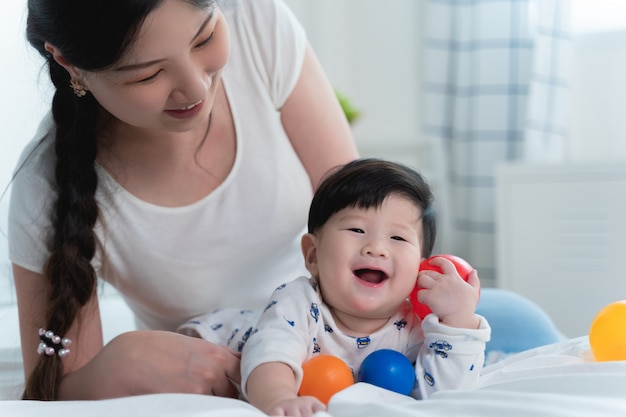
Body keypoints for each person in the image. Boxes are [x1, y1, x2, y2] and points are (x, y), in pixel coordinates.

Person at [9, 0, 358, 401]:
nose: (197, 87)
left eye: (205, 37)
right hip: (209, 392)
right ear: (70, 64)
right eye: (149, 74)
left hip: (344, 344)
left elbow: (363, 215)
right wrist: (122, 360)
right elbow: (51, 390)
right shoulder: (46, 188)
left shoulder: (257, 25)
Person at [238, 159, 491, 417]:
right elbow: (270, 356)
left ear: (420, 270)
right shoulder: (298, 303)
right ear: (313, 255)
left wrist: (458, 320)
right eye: (357, 229)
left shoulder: (418, 327)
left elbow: (447, 394)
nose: (376, 248)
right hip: (236, 327)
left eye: (398, 238)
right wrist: (278, 398)